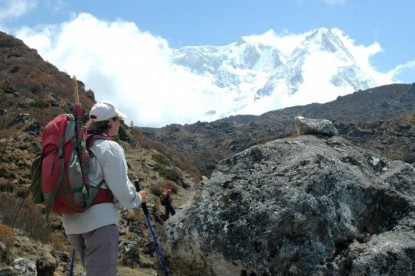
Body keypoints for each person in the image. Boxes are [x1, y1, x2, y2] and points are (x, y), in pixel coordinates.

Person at [62, 101, 147, 276]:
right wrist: (137, 198)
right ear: (109, 121)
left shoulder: (78, 144)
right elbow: (121, 188)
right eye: (117, 120)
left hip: (71, 219)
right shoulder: (109, 148)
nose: (120, 124)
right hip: (99, 220)